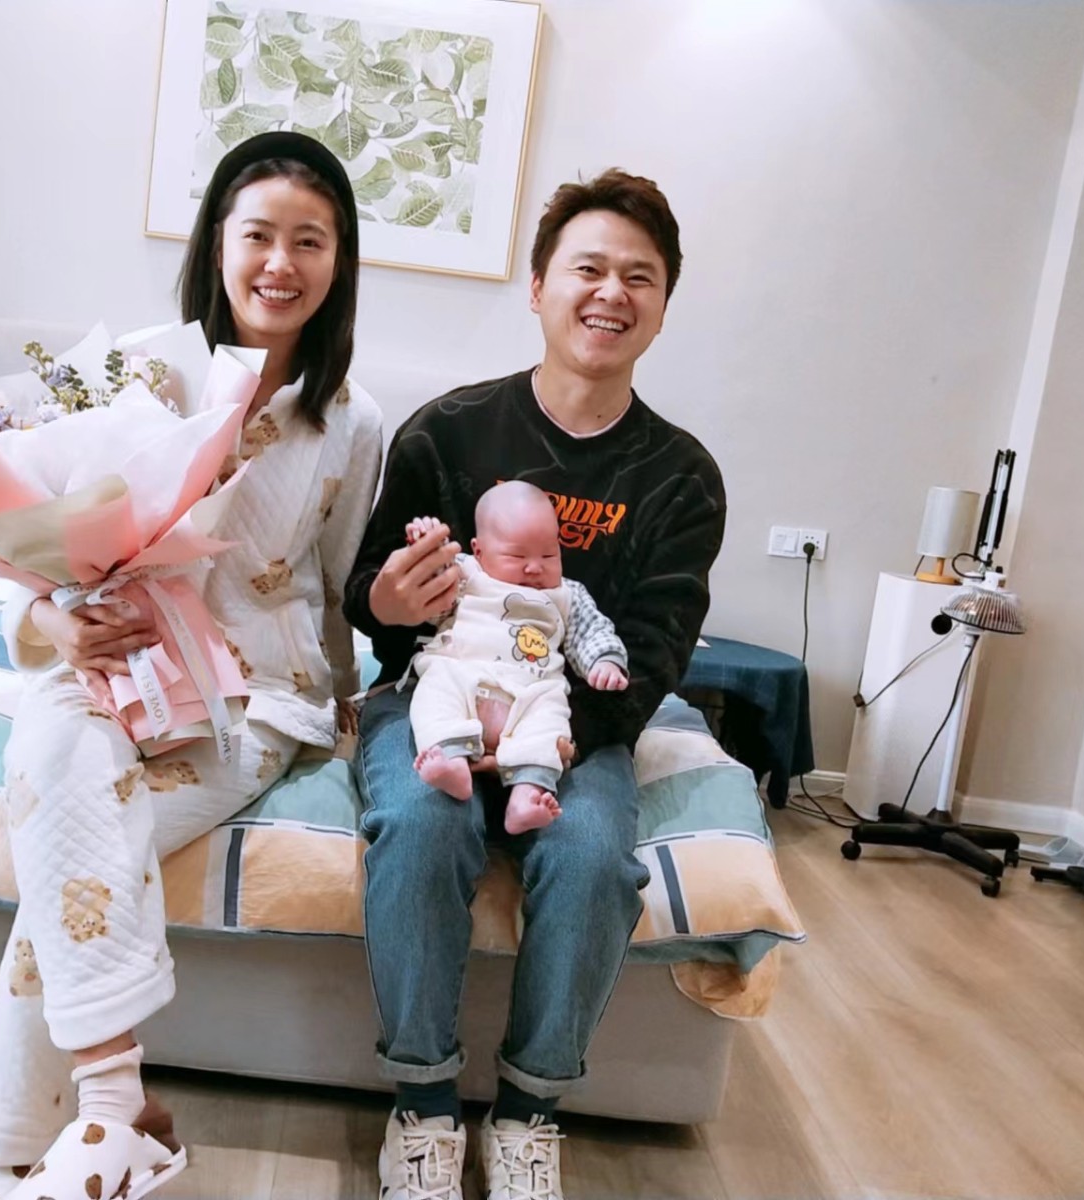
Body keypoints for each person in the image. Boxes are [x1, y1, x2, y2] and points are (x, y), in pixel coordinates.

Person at [0, 131, 383, 1200]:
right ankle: (115, 1115)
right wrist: (47, 622)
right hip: (107, 664)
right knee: (60, 771)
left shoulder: (351, 421)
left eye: (310, 241)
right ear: (217, 245)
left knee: (75, 852)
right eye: (259, 236)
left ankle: (15, 1154)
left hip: (254, 699)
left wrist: (350, 709)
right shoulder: (140, 374)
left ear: (338, 262)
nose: (280, 263)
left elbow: (337, 586)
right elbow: (31, 531)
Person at [344, 169, 726, 1200]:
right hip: (432, 693)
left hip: (573, 721)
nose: (610, 293)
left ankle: (528, 1114)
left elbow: (656, 651)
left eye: (638, 277)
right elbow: (367, 600)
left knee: (595, 857)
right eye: (587, 268)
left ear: (662, 304)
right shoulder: (449, 431)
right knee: (419, 827)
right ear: (538, 286)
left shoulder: (680, 476)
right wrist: (389, 598)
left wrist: (546, 737)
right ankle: (423, 1106)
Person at [403, 481, 628, 835]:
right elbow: (431, 599)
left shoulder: (567, 594)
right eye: (517, 557)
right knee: (435, 688)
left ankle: (526, 796)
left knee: (551, 720)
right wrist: (427, 546)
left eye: (549, 555)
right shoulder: (467, 574)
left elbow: (592, 631)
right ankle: (450, 761)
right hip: (464, 675)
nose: (534, 568)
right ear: (479, 551)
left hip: (531, 693)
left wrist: (604, 662)